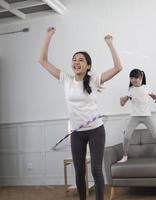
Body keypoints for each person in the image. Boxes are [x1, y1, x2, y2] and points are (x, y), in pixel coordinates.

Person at [39, 27, 122, 200]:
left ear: (88, 65)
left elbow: (118, 67)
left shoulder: (93, 81)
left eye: (81, 60)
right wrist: (48, 36)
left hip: (95, 131)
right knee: (78, 172)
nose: (77, 62)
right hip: (77, 133)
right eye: (74, 60)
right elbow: (43, 61)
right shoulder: (66, 80)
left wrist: (110, 44)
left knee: (96, 170)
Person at [117, 68, 156, 163]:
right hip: (135, 116)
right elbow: (123, 103)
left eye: (136, 78)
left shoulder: (146, 88)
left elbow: (154, 97)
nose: (134, 80)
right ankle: (125, 156)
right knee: (126, 137)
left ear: (141, 77)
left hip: (146, 115)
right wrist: (121, 101)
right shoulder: (130, 89)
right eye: (131, 78)